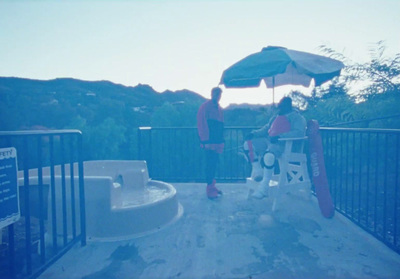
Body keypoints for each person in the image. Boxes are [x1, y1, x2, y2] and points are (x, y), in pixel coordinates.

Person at [244, 96, 307, 199]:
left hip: (285, 145)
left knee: (269, 156)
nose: (280, 108)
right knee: (248, 144)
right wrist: (253, 134)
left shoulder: (297, 118)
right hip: (270, 142)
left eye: (282, 106)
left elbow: (299, 133)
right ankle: (257, 169)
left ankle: (264, 187)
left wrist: (281, 137)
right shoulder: (275, 117)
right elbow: (266, 129)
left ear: (288, 105)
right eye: (279, 105)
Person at [197, 87, 224, 199]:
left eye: (219, 94)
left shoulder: (219, 109)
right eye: (216, 94)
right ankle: (209, 189)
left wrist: (221, 142)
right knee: (209, 165)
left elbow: (220, 127)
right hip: (209, 143)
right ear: (212, 94)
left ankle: (212, 186)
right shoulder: (205, 107)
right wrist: (205, 141)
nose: (218, 96)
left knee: (214, 165)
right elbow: (201, 124)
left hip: (216, 143)